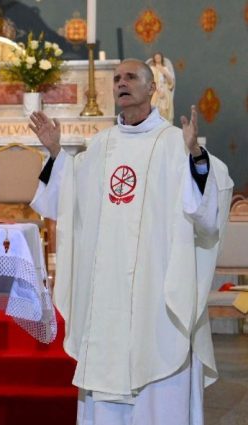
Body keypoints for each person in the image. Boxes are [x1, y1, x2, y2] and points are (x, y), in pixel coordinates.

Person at [28, 59, 232, 425]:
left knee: (160, 374)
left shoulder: (175, 143)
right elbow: (68, 195)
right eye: (117, 78)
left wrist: (196, 157)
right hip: (105, 297)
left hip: (157, 296)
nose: (122, 83)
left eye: (131, 77)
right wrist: (57, 153)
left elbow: (209, 208)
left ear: (152, 88)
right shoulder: (101, 145)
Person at [146, 52, 175, 122]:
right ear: (154, 59)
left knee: (166, 110)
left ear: (161, 58)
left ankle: (166, 124)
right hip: (156, 91)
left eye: (159, 57)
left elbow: (171, 82)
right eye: (156, 58)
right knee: (155, 108)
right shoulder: (152, 68)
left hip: (165, 91)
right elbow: (150, 80)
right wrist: (157, 88)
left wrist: (165, 73)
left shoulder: (165, 68)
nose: (158, 59)